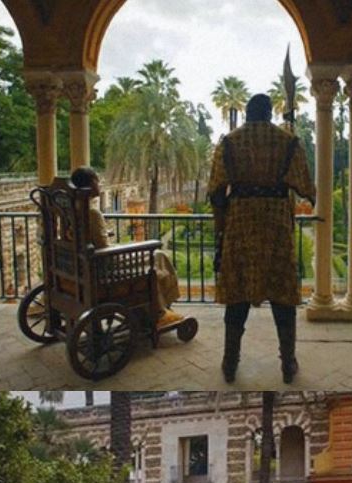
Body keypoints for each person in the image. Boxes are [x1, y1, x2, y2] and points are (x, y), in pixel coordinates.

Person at [206, 93, 316, 384]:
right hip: (276, 225)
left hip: (240, 223)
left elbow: (216, 190)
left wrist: (222, 224)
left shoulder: (229, 142)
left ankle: (230, 362)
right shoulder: (288, 141)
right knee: (283, 295)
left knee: (237, 295)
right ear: (269, 113)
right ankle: (288, 363)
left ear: (247, 114)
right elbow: (305, 187)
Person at [68, 166, 185, 328]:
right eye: (97, 180)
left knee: (153, 256)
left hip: (86, 263)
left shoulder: (71, 210)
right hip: (103, 264)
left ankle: (159, 306)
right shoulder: (92, 214)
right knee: (158, 254)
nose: (99, 184)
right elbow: (103, 247)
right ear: (90, 184)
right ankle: (161, 310)